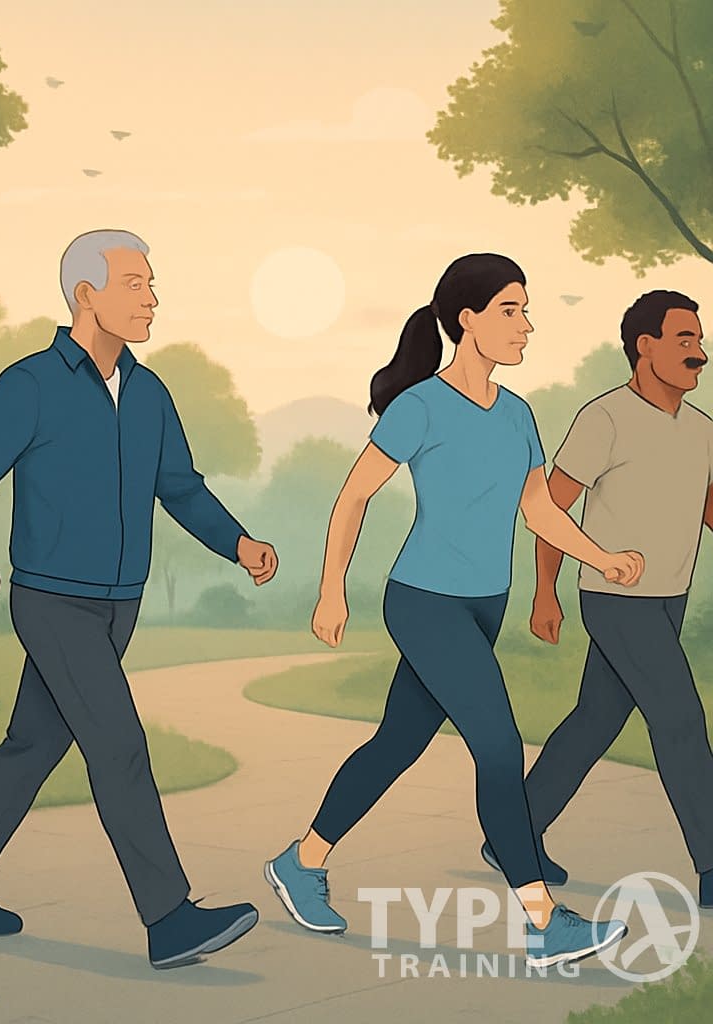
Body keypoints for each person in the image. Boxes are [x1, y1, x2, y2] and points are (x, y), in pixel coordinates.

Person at [0, 229, 279, 969]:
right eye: (136, 284)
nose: (152, 299)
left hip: (120, 602)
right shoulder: (30, 384)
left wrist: (237, 543)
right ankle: (169, 918)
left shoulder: (148, 392)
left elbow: (178, 486)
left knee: (33, 743)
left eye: (151, 284)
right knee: (119, 747)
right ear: (87, 295)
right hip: (52, 601)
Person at [264, 253, 638, 967]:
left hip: (482, 605)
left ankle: (299, 861)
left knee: (397, 744)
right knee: (497, 746)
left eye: (527, 310)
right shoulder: (421, 408)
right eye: (510, 310)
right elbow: (354, 496)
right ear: (466, 319)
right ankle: (542, 920)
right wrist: (331, 588)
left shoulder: (519, 414)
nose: (526, 325)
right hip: (424, 601)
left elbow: (536, 509)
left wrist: (600, 557)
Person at [480, 290, 713, 908]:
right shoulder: (604, 418)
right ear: (646, 346)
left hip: (671, 596)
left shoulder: (702, 429)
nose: (699, 354)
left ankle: (515, 831)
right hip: (616, 598)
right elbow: (549, 508)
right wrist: (546, 594)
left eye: (699, 340)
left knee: (595, 721)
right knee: (681, 718)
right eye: (684, 340)